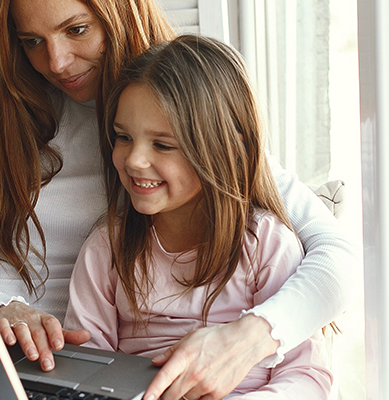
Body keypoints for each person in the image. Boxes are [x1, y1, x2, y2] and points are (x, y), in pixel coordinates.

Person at [0, 0, 356, 399]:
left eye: (76, 30)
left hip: (69, 363)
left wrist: (250, 337)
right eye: (31, 40)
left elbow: (335, 258)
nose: (55, 61)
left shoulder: (186, 102)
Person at [66, 34, 333, 400]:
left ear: (228, 149)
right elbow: (85, 368)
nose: (133, 160)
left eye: (162, 144)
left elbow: (308, 377)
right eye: (122, 137)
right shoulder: (107, 248)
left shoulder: (265, 244)